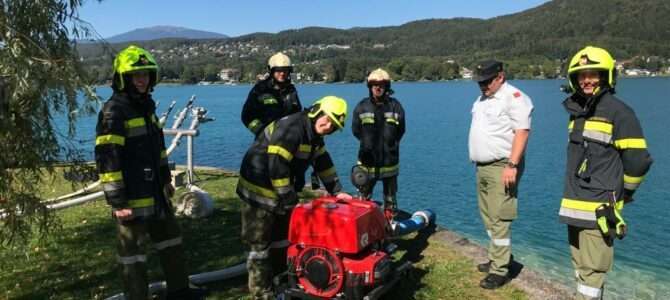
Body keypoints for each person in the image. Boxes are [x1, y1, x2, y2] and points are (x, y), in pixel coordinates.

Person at [94, 45, 203, 300]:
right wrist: (118, 201)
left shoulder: (146, 107)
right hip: (131, 198)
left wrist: (166, 179)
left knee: (171, 243)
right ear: (123, 78)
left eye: (146, 74)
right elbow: (107, 158)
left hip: (156, 194)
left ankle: (179, 292)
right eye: (136, 75)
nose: (142, 80)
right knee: (132, 256)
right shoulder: (114, 111)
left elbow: (158, 150)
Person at [559, 46, 652, 299]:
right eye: (582, 75)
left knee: (593, 272)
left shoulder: (619, 112)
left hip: (600, 208)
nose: (587, 80)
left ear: (607, 76)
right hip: (574, 205)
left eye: (594, 74)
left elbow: (639, 160)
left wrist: (626, 192)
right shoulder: (578, 112)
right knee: (581, 269)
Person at [237, 96, 350, 299]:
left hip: (280, 192)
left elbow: (323, 162)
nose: (328, 127)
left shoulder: (313, 135)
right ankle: (261, 292)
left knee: (282, 239)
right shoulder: (293, 129)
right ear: (316, 112)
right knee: (259, 244)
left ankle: (281, 280)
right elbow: (277, 167)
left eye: (333, 126)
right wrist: (290, 200)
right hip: (258, 190)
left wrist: (336, 190)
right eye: (327, 120)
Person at [467, 60, 533, 289]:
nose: (482, 85)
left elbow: (522, 132)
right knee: (488, 215)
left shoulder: (514, 98)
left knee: (500, 217)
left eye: (486, 81)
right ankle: (499, 257)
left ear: (500, 77)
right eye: (480, 82)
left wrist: (512, 165)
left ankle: (500, 270)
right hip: (483, 166)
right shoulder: (483, 99)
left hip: (503, 166)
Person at [351, 68, 405, 216]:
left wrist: (390, 145)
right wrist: (368, 144)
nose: (378, 87)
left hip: (389, 164)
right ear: (369, 86)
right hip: (367, 164)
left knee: (390, 201)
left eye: (381, 84)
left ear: (387, 86)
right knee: (363, 200)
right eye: (374, 84)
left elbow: (401, 131)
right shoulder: (362, 107)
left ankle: (389, 226)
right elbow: (356, 131)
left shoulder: (396, 107)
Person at [241, 52, 302, 136]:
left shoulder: (291, 90)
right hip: (266, 143)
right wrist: (262, 132)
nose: (282, 73)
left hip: (288, 140)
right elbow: (247, 116)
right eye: (278, 70)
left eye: (285, 70)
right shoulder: (260, 89)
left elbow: (298, 114)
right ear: (271, 71)